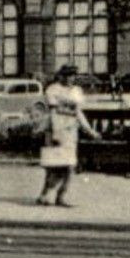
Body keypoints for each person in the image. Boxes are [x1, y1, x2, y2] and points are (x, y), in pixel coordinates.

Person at [37, 65, 97, 206]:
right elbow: (53, 113)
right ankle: (44, 195)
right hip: (56, 129)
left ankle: (61, 196)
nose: (70, 78)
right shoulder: (53, 90)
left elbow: (78, 113)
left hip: (70, 132)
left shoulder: (77, 91)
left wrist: (89, 130)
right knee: (53, 167)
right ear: (61, 76)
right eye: (67, 75)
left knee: (69, 166)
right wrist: (56, 134)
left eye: (73, 75)